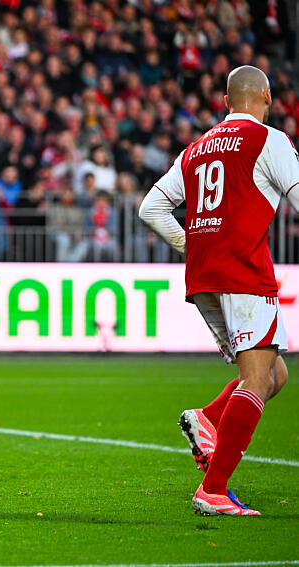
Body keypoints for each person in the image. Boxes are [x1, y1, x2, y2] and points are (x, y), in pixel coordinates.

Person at [139, 66, 299, 516]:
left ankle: (208, 419)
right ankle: (214, 489)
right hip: (245, 271)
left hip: (205, 276)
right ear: (267, 96)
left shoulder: (195, 149)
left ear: (227, 101)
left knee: (274, 375)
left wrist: (193, 243)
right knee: (256, 378)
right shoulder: (271, 141)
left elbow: (151, 207)